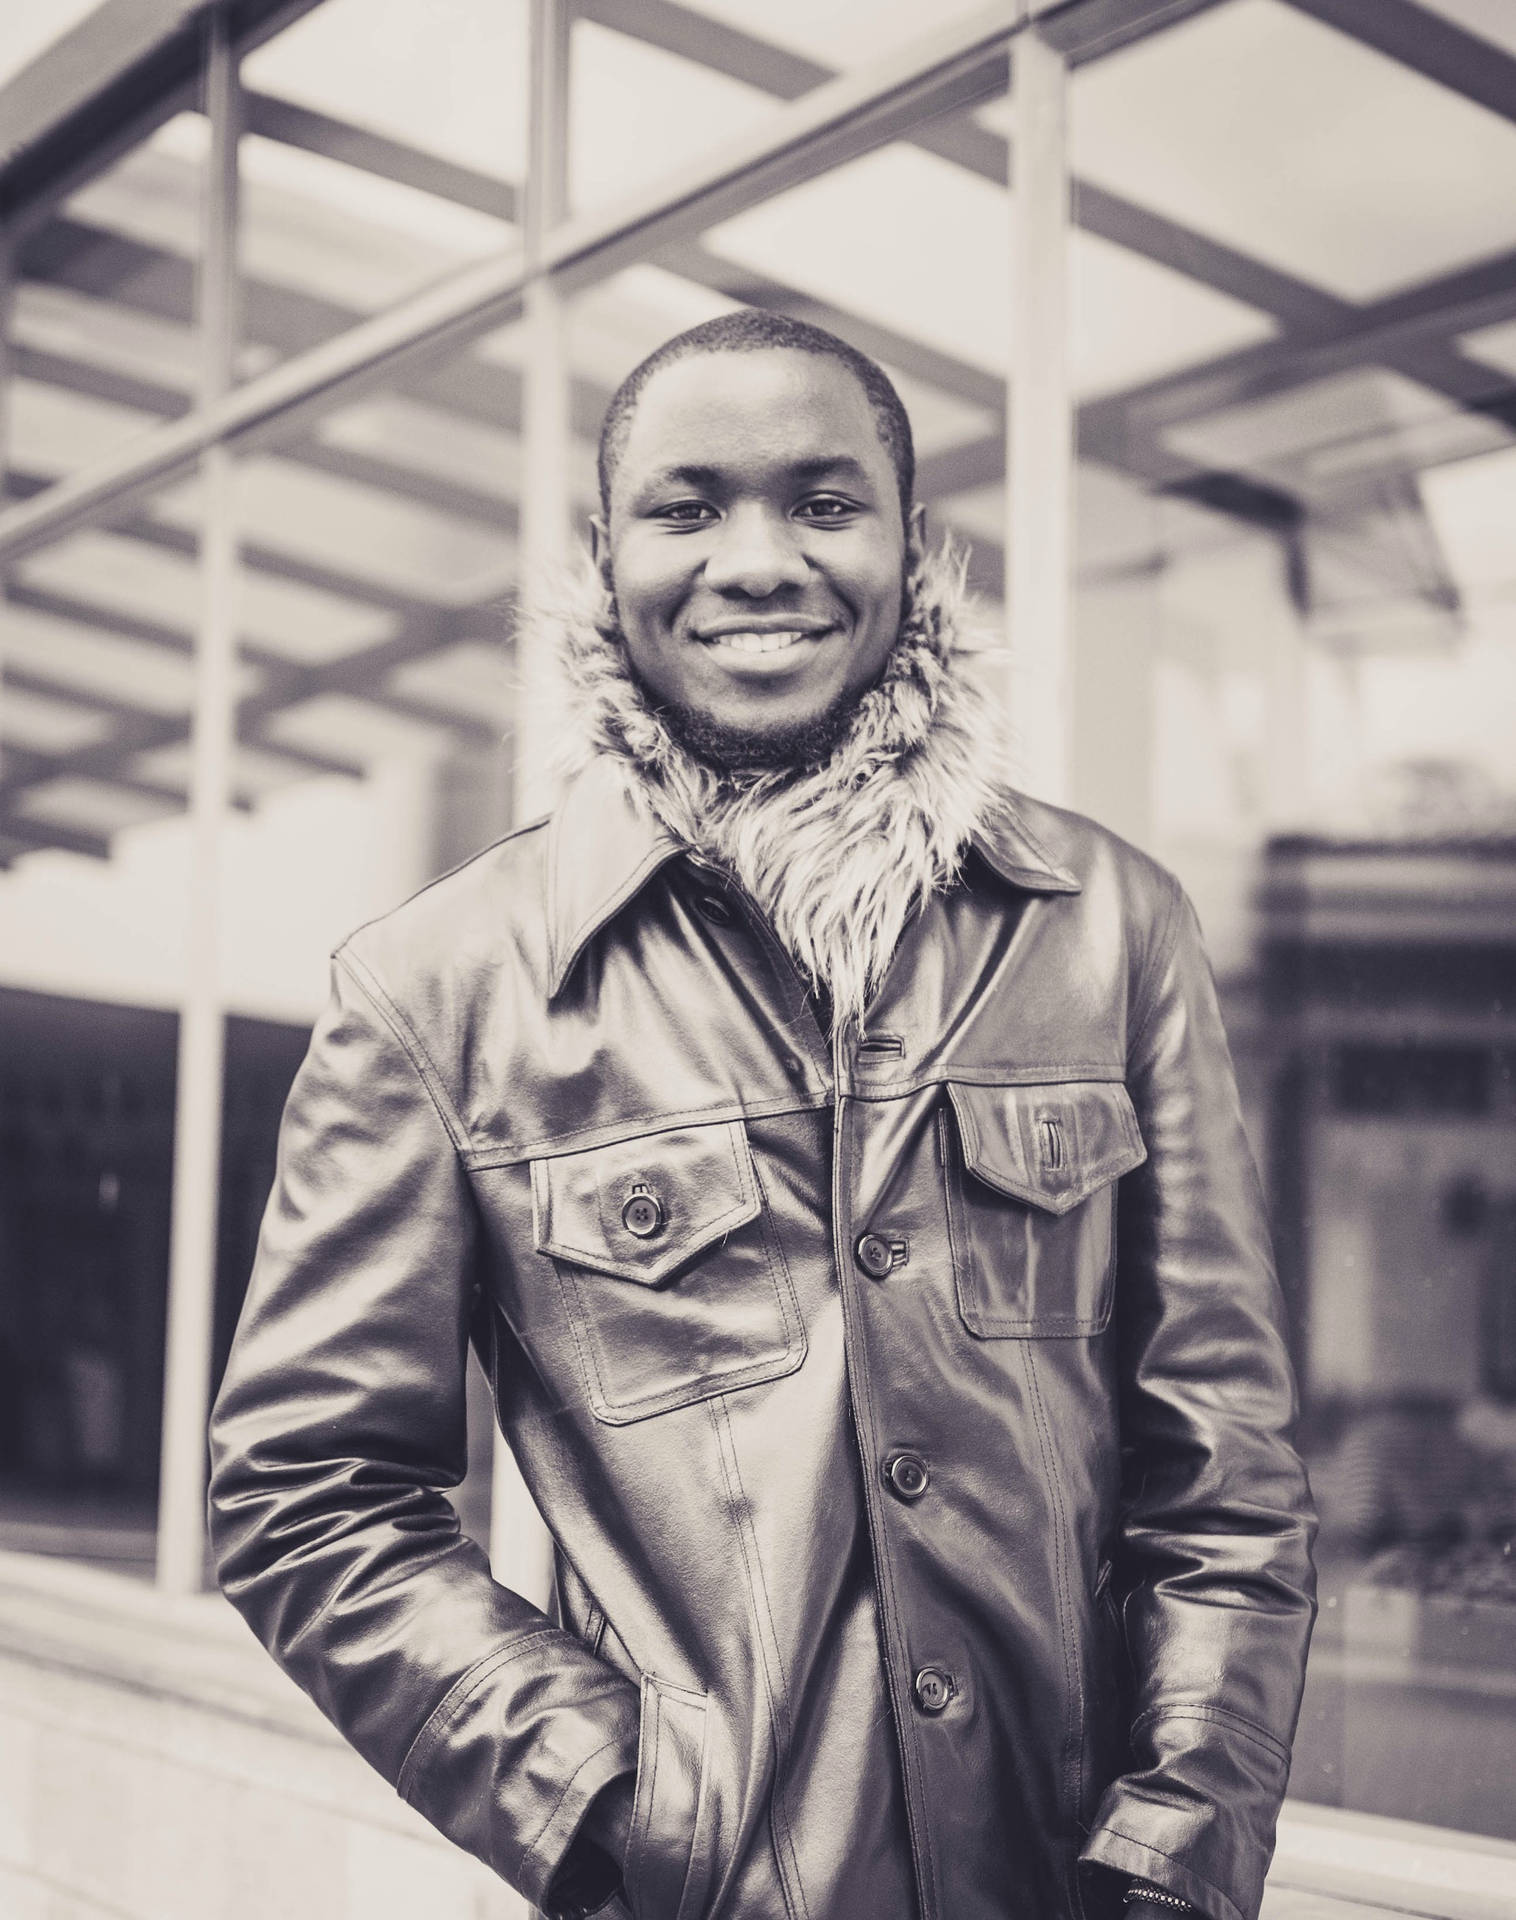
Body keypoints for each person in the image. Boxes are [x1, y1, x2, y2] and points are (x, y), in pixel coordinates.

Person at [209, 310, 1316, 1920]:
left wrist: (1178, 1847)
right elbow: (300, 1487)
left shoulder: (1110, 930)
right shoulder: (444, 985)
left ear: (907, 544)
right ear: (607, 557)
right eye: (687, 507)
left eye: (821, 502)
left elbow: (1224, 1465)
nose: (757, 560)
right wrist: (615, 1809)